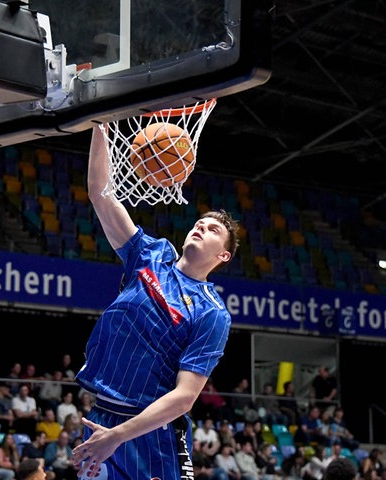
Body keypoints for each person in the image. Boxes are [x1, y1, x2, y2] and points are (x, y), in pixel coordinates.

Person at [71, 126, 240, 480]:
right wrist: (100, 123)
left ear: (223, 256)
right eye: (199, 222)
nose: (201, 227)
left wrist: (116, 438)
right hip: (101, 418)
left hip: (152, 434)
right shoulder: (151, 255)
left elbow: (183, 398)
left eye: (212, 230)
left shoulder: (212, 313)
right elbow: (100, 195)